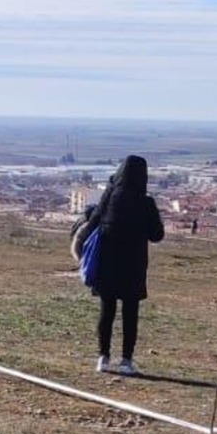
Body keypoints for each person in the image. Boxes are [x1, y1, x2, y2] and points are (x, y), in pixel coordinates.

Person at [72, 155, 164, 376]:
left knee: (107, 311)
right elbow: (157, 235)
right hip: (134, 268)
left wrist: (78, 248)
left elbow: (92, 222)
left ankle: (103, 358)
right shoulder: (146, 203)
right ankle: (126, 361)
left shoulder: (110, 197)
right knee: (130, 314)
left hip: (107, 265)